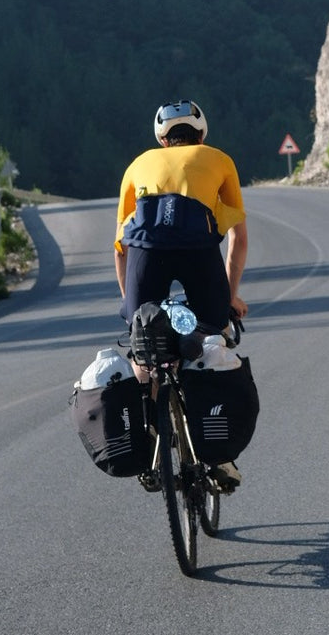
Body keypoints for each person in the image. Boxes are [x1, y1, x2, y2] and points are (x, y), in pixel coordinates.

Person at [114, 98, 248, 488]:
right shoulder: (219, 159)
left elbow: (120, 246)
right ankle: (220, 458)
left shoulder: (138, 164)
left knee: (144, 350)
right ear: (201, 134)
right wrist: (230, 300)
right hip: (198, 255)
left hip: (144, 257)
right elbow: (237, 238)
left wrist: (131, 308)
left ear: (162, 139)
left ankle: (147, 442)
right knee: (213, 337)